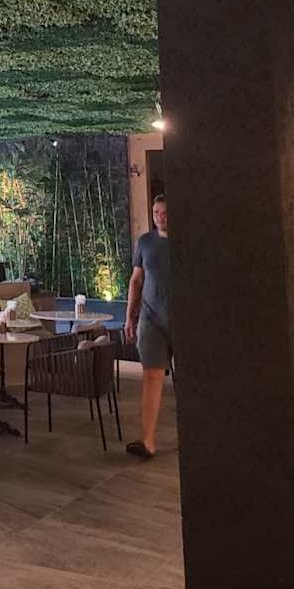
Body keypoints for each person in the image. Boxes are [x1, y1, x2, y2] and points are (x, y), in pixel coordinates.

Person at [124, 194, 170, 459]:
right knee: (151, 376)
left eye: (164, 212)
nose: (160, 217)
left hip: (183, 320)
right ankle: (148, 441)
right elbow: (136, 280)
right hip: (151, 319)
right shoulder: (144, 243)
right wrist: (130, 317)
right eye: (156, 212)